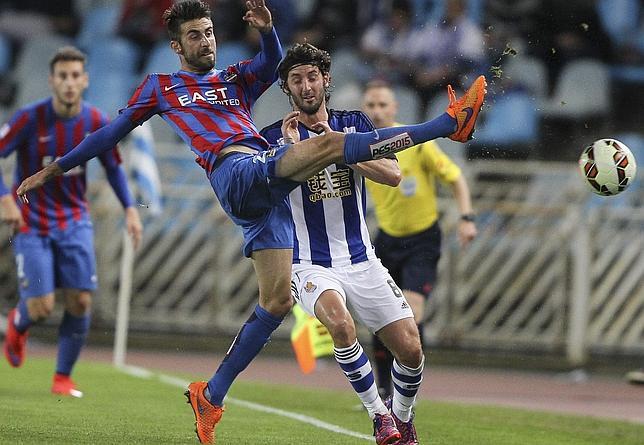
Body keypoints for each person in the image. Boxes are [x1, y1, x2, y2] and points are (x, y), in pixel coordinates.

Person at [14, 1, 486, 443]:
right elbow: (108, 134)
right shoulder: (160, 87)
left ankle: (210, 395)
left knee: (277, 300)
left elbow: (272, 66)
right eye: (195, 37)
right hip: (236, 171)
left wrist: (267, 30)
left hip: (268, 196)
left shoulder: (236, 80)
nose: (206, 42)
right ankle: (447, 126)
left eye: (210, 32)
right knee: (331, 143)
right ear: (177, 47)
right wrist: (57, 167)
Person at [260, 42, 423, 445]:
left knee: (411, 349)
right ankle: (378, 416)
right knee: (340, 323)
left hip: (360, 257)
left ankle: (401, 420)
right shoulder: (271, 138)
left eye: (312, 76)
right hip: (307, 262)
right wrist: (294, 151)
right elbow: (261, 194)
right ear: (286, 88)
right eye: (296, 79)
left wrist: (337, 144)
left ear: (326, 80)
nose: (306, 85)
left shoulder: (354, 123)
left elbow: (391, 174)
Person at [0, 46, 143, 397]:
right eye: (62, 76)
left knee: (80, 302)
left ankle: (62, 378)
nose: (68, 83)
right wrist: (6, 199)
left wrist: (130, 208)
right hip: (31, 224)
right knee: (42, 306)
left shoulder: (95, 121)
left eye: (75, 76)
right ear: (52, 80)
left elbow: (113, 168)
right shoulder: (28, 118)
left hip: (75, 222)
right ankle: (19, 324)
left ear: (85, 80)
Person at [362, 80, 478, 401]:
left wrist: (467, 219)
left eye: (383, 104)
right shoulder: (362, 145)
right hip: (386, 240)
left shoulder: (415, 142)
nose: (377, 111)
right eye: (371, 105)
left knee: (411, 313)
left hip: (422, 240)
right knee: (382, 319)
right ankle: (384, 390)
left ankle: (408, 389)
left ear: (395, 108)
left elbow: (455, 178)